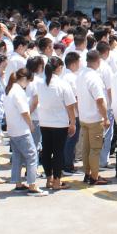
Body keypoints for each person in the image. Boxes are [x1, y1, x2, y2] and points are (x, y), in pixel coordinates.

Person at [34, 55, 75, 192]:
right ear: (59, 68)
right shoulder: (62, 84)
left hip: (44, 122)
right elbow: (70, 106)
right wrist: (73, 122)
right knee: (58, 152)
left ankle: (49, 178)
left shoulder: (40, 83)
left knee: (46, 151)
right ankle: (57, 181)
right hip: (59, 123)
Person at [3, 68, 43, 195]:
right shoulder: (18, 91)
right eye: (29, 81)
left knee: (17, 156)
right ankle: (32, 185)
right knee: (32, 156)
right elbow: (25, 112)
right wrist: (31, 125)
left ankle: (18, 183)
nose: (29, 84)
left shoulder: (10, 90)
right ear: (24, 79)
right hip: (21, 129)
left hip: (12, 129)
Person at [75, 49, 109, 186]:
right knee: (95, 149)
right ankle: (94, 177)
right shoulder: (94, 77)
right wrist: (106, 117)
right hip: (94, 118)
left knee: (86, 148)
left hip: (84, 117)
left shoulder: (80, 74)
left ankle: (87, 173)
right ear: (98, 61)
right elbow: (100, 100)